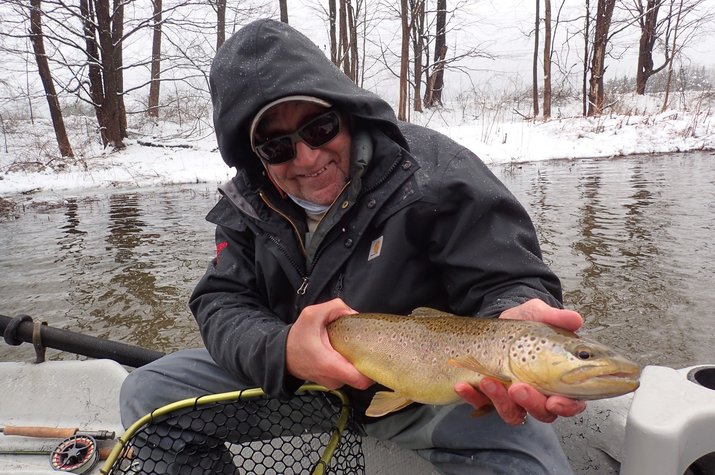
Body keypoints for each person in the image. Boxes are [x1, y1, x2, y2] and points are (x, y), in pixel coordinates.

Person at [120, 18, 586, 474]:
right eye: (277, 147)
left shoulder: (437, 175)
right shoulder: (246, 206)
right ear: (256, 157)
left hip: (436, 395)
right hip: (304, 392)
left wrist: (516, 314)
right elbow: (221, 301)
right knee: (147, 397)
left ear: (344, 112)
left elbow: (508, 279)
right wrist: (281, 350)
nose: (307, 157)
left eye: (319, 128)